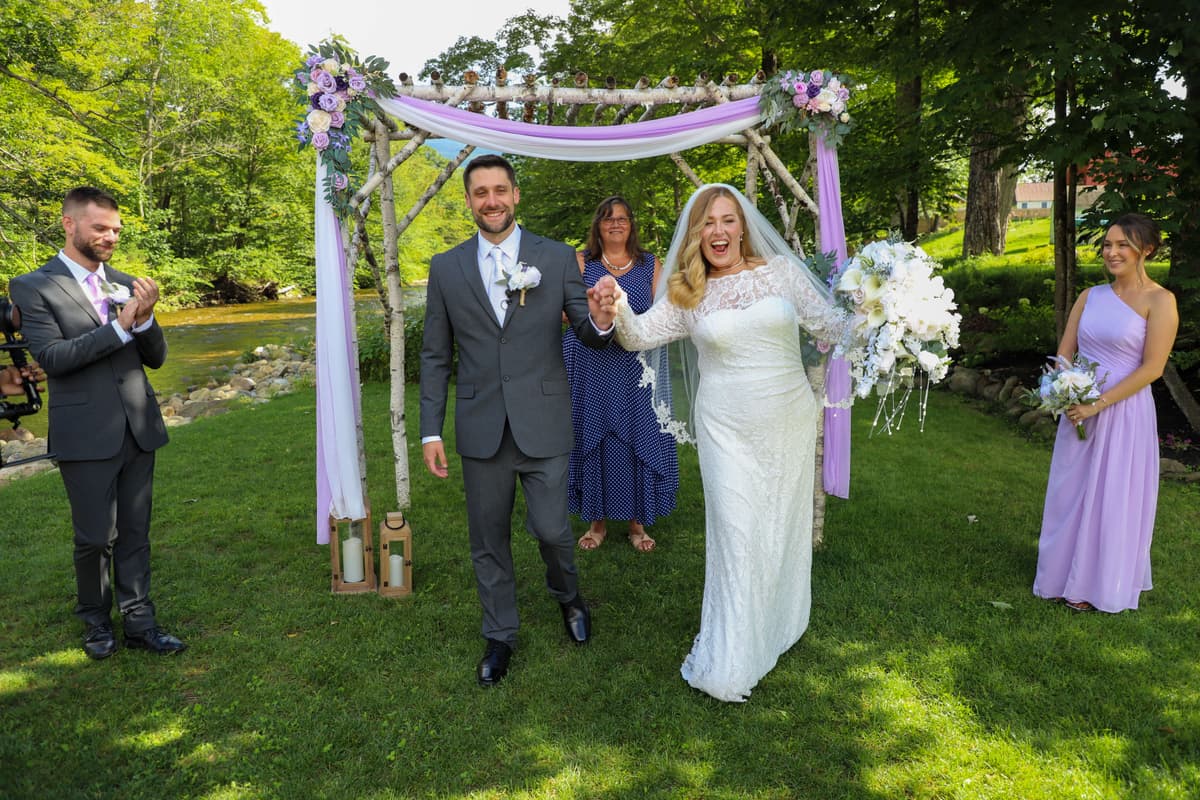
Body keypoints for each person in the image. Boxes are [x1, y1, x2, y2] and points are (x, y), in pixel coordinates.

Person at [598, 184, 851, 702]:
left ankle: (778, 623)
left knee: (778, 527)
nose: (718, 231)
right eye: (707, 222)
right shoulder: (688, 292)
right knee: (736, 532)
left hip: (788, 420)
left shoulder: (780, 274)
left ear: (743, 227)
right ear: (696, 234)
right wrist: (620, 306)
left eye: (728, 220)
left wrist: (889, 306)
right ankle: (733, 656)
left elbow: (833, 324)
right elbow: (639, 336)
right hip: (726, 429)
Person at [419, 155, 619, 687]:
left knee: (553, 531)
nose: (491, 200)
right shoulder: (446, 267)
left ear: (516, 195)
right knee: (488, 540)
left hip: (544, 421)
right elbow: (436, 355)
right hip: (481, 426)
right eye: (480, 192)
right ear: (468, 200)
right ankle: (499, 635)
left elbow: (585, 327)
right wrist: (431, 429)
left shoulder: (554, 258)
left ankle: (569, 598)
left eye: (499, 190)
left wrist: (601, 318)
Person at [9, 186, 184, 659]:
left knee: (135, 533)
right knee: (94, 538)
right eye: (101, 228)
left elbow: (158, 358)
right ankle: (95, 623)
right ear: (69, 224)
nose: (111, 237)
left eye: (116, 230)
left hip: (139, 425)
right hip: (85, 432)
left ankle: (140, 622)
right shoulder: (33, 286)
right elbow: (53, 358)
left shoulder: (127, 281)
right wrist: (122, 326)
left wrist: (145, 321)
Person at [1033, 213, 1179, 613]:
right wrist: (1065, 391)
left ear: (1145, 250)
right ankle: (1059, 575)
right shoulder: (1089, 296)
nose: (1112, 253)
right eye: (1107, 245)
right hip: (1077, 410)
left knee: (1111, 496)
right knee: (1071, 492)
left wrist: (1098, 402)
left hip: (1123, 411)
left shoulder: (1160, 301)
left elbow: (1152, 368)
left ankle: (1095, 584)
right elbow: (1065, 349)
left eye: (1122, 245)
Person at [565, 196, 678, 553]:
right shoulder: (581, 262)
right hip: (590, 363)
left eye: (623, 219)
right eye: (608, 219)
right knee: (595, 436)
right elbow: (562, 312)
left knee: (637, 434)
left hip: (637, 367)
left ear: (631, 225)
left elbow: (662, 312)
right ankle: (596, 521)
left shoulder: (649, 264)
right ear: (598, 226)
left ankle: (637, 522)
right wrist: (597, 312)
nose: (616, 224)